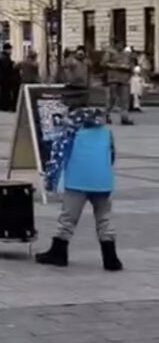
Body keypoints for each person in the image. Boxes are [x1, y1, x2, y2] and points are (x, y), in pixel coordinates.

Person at [35, 104, 122, 272]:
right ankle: (111, 258)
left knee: (68, 218)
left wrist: (52, 180)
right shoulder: (106, 133)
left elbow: (59, 156)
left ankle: (59, 252)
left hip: (78, 181)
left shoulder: (71, 134)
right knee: (104, 218)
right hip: (103, 181)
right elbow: (111, 155)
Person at [103, 40, 134, 126]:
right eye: (119, 44)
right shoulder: (110, 53)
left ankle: (124, 118)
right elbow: (104, 63)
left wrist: (129, 68)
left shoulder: (126, 54)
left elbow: (131, 65)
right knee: (112, 99)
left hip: (124, 79)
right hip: (113, 78)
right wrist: (118, 66)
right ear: (115, 44)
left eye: (122, 44)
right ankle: (106, 115)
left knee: (125, 99)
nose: (121, 46)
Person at [0, 43, 18, 112]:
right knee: (5, 93)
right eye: (10, 50)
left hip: (3, 79)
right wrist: (12, 65)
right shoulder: (5, 58)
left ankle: (3, 106)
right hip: (5, 79)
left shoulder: (3, 57)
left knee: (3, 93)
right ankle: (5, 106)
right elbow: (7, 69)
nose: (11, 51)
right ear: (6, 50)